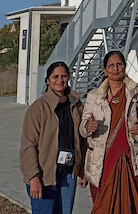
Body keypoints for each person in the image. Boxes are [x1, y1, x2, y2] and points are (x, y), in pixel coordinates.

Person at [80, 50, 138, 214]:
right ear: (105, 70)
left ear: (125, 67)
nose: (115, 68)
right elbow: (83, 124)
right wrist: (87, 126)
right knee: (102, 204)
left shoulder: (137, 92)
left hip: (131, 156)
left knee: (133, 202)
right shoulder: (94, 96)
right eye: (111, 65)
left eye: (119, 64)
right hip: (102, 159)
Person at [20, 61, 87, 214]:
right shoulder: (38, 108)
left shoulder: (76, 105)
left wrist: (82, 169)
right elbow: (28, 145)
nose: (60, 80)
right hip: (45, 175)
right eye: (55, 76)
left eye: (64, 76)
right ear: (48, 80)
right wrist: (33, 176)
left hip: (68, 173)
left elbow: (82, 141)